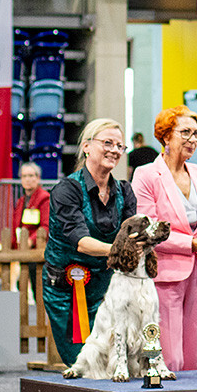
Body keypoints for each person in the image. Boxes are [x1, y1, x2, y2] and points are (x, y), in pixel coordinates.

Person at [132, 106, 197, 371]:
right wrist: (191, 244)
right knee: (170, 357)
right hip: (165, 273)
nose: (193, 139)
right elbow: (148, 229)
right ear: (166, 136)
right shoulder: (145, 175)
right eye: (185, 132)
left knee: (191, 357)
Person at [42, 119, 138, 366]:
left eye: (120, 146)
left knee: (111, 361)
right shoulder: (66, 190)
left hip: (108, 286)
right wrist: (121, 250)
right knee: (83, 362)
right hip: (67, 288)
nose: (115, 150)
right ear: (86, 146)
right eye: (107, 143)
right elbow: (82, 242)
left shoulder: (125, 191)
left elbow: (131, 235)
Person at [12, 161, 50, 248]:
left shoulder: (45, 198)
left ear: (38, 178)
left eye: (31, 176)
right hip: (21, 246)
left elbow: (46, 226)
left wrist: (30, 241)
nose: (27, 179)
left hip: (37, 248)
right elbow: (16, 227)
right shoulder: (20, 201)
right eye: (24, 176)